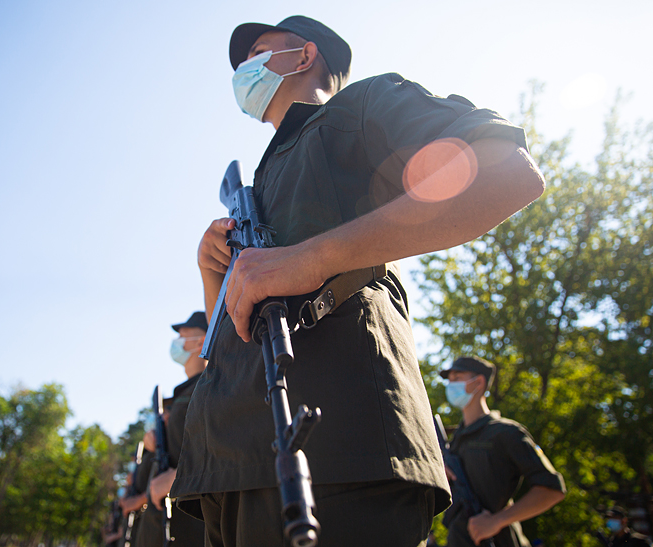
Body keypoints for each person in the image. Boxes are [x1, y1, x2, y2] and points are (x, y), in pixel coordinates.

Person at [171, 15, 547, 547]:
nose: (244, 70)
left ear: (304, 56)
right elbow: (233, 332)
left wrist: (310, 258)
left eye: (257, 52)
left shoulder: (363, 105)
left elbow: (506, 173)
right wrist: (214, 274)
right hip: (229, 464)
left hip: (339, 451)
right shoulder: (261, 179)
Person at [440, 356, 566, 547]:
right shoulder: (457, 438)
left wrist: (496, 521)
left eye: (457, 378)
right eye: (449, 380)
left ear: (479, 382)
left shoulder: (506, 432)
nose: (451, 386)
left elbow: (551, 489)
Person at [147, 312, 209, 545]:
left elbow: (218, 448)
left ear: (201, 342)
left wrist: (178, 477)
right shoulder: (185, 392)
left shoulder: (208, 386)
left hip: (197, 521)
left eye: (182, 336)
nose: (177, 343)